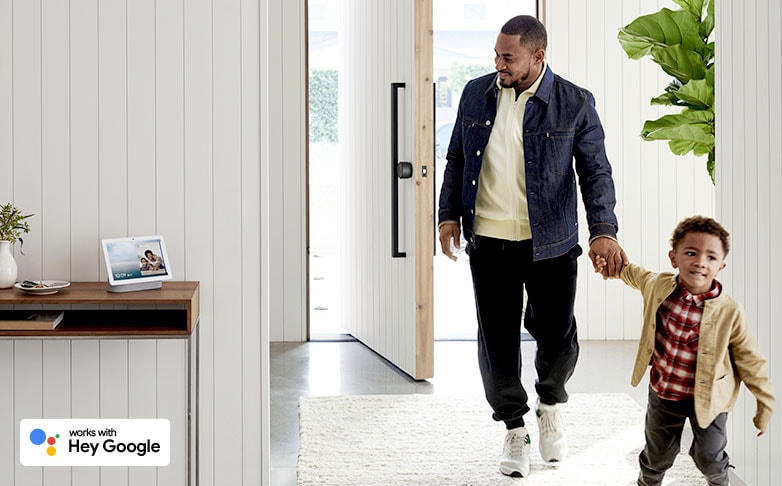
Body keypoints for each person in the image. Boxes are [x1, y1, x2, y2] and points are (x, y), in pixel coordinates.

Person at [437, 14, 626, 478]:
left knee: (557, 339)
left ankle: (550, 403)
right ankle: (515, 428)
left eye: (508, 56)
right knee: (497, 341)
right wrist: (447, 215)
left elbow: (596, 171)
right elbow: (458, 156)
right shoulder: (475, 93)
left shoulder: (574, 103)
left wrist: (604, 229)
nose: (498, 63)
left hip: (553, 243)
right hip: (490, 242)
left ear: (537, 56)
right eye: (496, 54)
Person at [595, 216, 774, 486]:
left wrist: (765, 405)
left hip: (710, 397)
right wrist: (611, 264)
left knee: (709, 457)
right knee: (657, 456)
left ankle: (719, 480)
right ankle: (648, 481)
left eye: (711, 257)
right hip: (665, 391)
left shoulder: (730, 311)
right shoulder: (659, 285)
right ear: (673, 258)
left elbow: (751, 361)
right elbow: (633, 273)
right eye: (691, 252)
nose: (700, 261)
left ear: (721, 266)